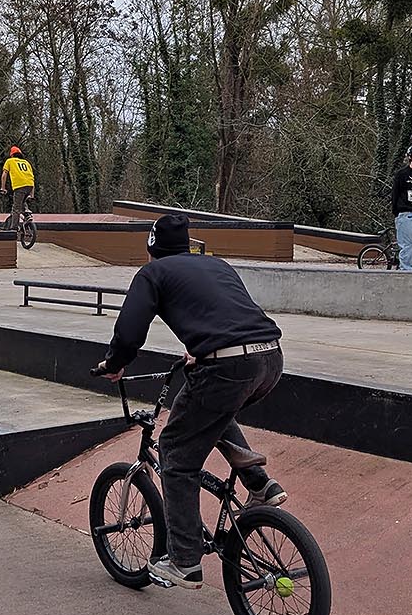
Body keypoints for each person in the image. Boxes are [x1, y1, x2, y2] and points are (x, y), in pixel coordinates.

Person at [92, 213, 287, 590]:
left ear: (151, 249)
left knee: (175, 453)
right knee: (211, 410)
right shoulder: (217, 265)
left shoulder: (153, 273)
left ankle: (184, 560)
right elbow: (228, 314)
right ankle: (260, 484)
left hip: (226, 367)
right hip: (270, 358)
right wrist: (202, 350)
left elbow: (129, 332)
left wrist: (114, 365)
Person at [0, 146, 35, 233]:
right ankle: (27, 213)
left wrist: (3, 188)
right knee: (22, 201)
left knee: (16, 208)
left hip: (19, 186)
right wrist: (32, 194)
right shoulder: (26, 162)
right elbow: (32, 178)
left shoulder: (10, 161)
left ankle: (13, 228)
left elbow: (4, 175)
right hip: (29, 185)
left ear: (12, 155)